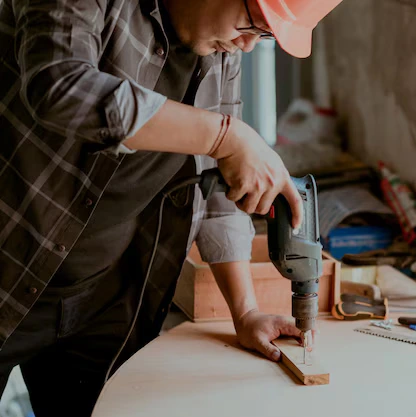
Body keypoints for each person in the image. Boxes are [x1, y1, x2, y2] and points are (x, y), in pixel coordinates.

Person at [0, 0, 343, 415]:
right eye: (253, 24)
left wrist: (246, 311)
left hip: (102, 295)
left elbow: (221, 188)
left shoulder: (221, 48)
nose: (249, 45)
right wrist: (225, 137)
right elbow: (59, 86)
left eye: (265, 35)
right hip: (11, 271)